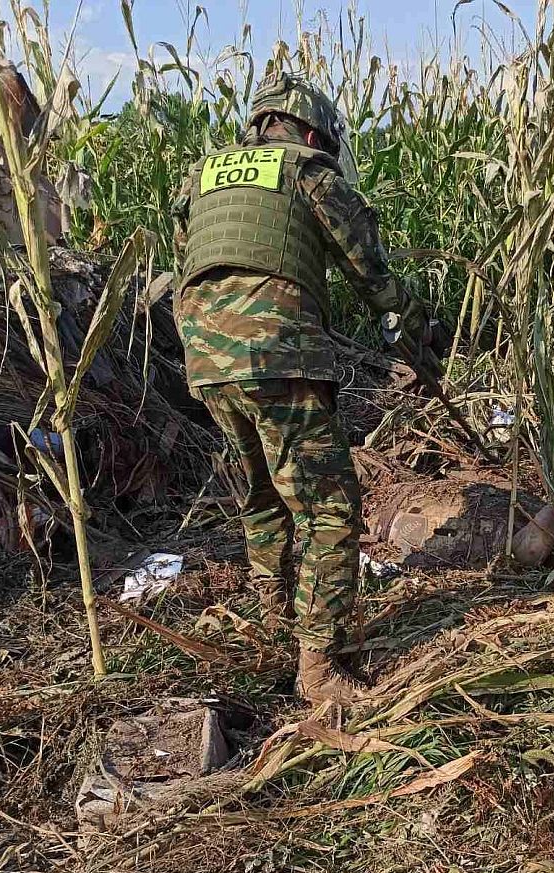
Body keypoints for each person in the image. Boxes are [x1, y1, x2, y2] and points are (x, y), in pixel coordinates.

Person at [173, 65, 436, 706]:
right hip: (277, 353)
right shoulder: (310, 172)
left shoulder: (201, 177)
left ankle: (273, 626)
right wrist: (414, 328)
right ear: (314, 133)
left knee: (263, 494)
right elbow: (370, 272)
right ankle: (320, 666)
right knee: (327, 506)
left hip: (207, 362)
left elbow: (191, 265)